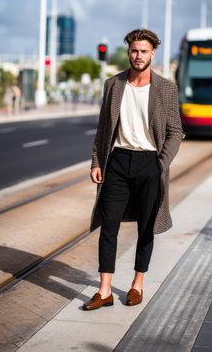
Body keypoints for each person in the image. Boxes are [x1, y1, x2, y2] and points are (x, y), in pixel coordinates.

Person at [83, 28, 183, 310]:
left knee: (146, 227)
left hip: (150, 163)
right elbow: (104, 129)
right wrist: (96, 161)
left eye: (144, 51)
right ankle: (104, 291)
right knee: (108, 226)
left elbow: (176, 131)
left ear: (153, 54)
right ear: (128, 52)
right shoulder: (113, 85)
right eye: (134, 51)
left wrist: (161, 163)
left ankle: (137, 284)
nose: (138, 56)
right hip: (117, 162)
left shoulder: (166, 89)